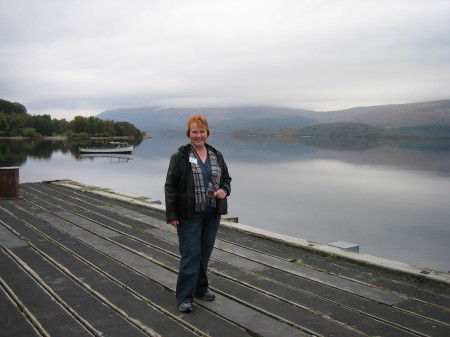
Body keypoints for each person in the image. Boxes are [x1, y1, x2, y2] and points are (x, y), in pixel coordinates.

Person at [164, 114, 232, 313]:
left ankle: (201, 288)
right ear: (188, 133)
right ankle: (185, 296)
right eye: (195, 131)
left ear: (207, 133)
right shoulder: (180, 156)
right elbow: (170, 187)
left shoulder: (216, 155)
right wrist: (172, 214)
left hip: (212, 213)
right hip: (188, 214)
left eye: (202, 131)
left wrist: (224, 190)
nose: (198, 135)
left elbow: (226, 179)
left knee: (204, 252)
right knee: (190, 254)